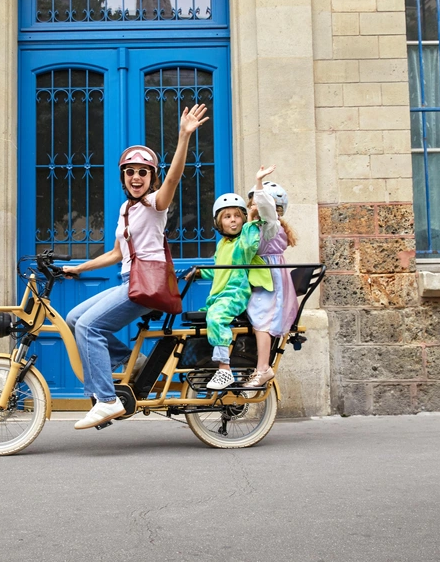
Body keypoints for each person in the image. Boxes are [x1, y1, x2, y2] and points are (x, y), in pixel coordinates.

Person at [62, 104, 210, 430]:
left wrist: (184, 136)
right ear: (123, 177)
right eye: (130, 172)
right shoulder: (125, 209)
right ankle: (131, 361)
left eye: (143, 172)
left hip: (146, 286)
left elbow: (174, 177)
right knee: (73, 319)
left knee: (90, 328)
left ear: (151, 177)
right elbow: (116, 252)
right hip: (129, 281)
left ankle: (106, 400)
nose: (136, 177)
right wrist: (78, 268)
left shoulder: (156, 204)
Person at [187, 165, 275, 391]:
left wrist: (254, 217)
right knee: (204, 318)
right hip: (218, 295)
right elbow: (218, 269)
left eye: (237, 215)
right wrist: (198, 272)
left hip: (235, 294)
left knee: (216, 318)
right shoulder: (222, 244)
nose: (233, 220)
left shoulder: (243, 241)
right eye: (227, 217)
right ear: (219, 222)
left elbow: (252, 235)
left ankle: (224, 370)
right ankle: (206, 365)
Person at [244, 175, 298, 388]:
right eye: (252, 202)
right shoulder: (255, 226)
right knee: (255, 316)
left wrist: (258, 184)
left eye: (259, 201)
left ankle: (263, 368)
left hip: (271, 281)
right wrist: (249, 217)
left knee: (262, 321)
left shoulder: (271, 226)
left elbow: (267, 209)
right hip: (261, 278)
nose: (255, 205)